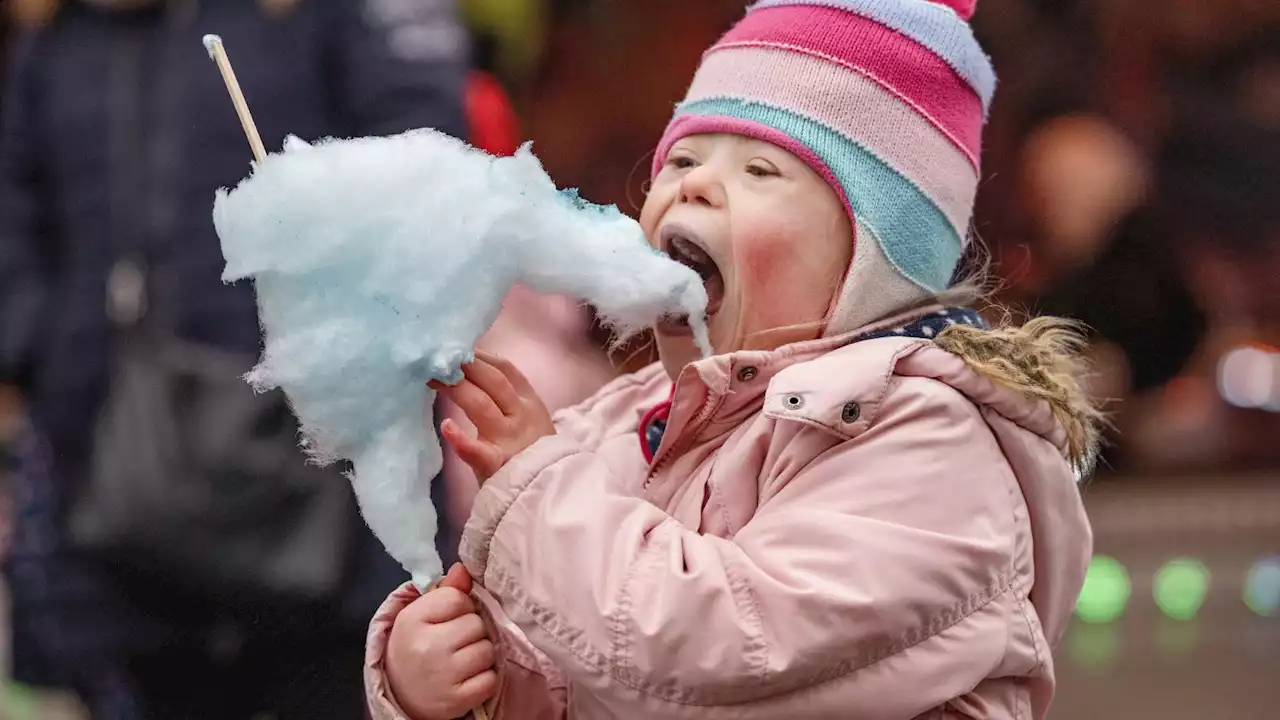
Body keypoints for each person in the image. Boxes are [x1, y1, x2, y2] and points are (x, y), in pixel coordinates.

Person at [367, 0, 1099, 718]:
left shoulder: (928, 438)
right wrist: (460, 679)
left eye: (759, 172)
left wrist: (539, 496)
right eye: (682, 157)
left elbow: (725, 650)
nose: (693, 184)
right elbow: (598, 676)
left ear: (875, 259)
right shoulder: (617, 427)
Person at [0, 0, 467, 718]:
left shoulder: (343, 20)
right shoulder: (62, 39)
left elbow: (427, 182)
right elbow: (17, 216)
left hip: (322, 484)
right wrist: (47, 353)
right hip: (117, 502)